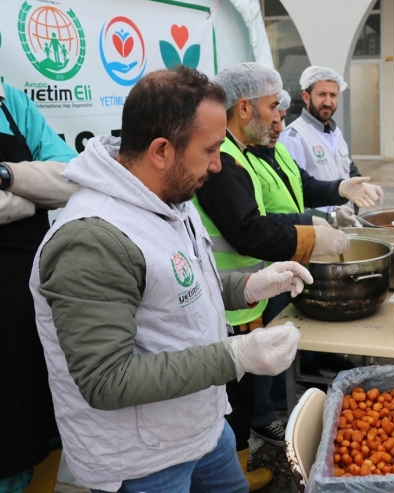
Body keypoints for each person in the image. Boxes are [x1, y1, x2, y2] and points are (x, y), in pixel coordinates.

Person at [29, 66, 312, 492]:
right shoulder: (92, 239)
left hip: (200, 427)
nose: (219, 165)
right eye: (211, 149)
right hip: (143, 461)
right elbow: (106, 380)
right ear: (161, 150)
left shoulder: (167, 196)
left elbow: (182, 285)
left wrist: (251, 283)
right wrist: (236, 356)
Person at [199, 63, 381, 452]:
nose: (278, 119)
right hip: (230, 300)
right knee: (237, 400)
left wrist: (337, 193)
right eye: (272, 108)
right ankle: (239, 464)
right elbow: (250, 230)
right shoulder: (225, 160)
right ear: (245, 108)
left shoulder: (247, 152)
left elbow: (293, 195)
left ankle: (244, 456)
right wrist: (314, 234)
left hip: (251, 290)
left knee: (247, 390)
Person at [0, 82, 77, 493]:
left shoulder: (10, 99)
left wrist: (6, 174)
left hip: (29, 298)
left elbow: (68, 176)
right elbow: (48, 188)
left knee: (37, 413)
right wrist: (30, 196)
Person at [278, 66, 363, 221]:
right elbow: (295, 197)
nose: (328, 102)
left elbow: (348, 170)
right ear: (305, 96)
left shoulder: (336, 133)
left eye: (333, 95)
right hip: (318, 233)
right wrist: (331, 217)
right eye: (322, 94)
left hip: (345, 229)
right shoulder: (293, 137)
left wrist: (360, 191)